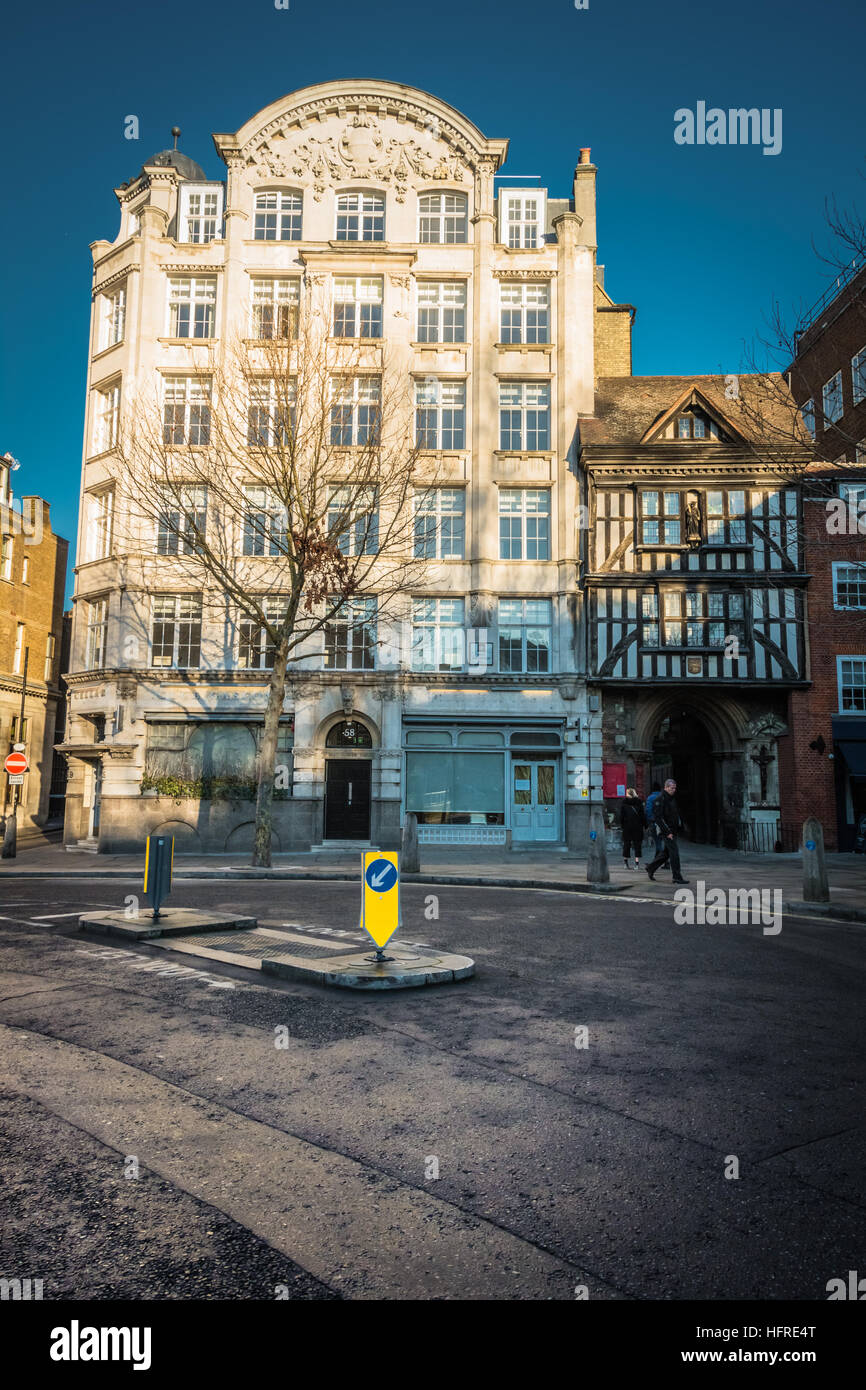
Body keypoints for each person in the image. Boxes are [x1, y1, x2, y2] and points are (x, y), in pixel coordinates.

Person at [645, 778, 689, 884]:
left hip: (673, 830)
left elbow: (675, 814)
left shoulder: (671, 798)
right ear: (666, 787)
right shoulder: (660, 799)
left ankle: (651, 868)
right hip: (667, 831)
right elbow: (659, 818)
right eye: (671, 788)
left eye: (675, 788)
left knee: (666, 853)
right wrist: (668, 832)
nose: (674, 790)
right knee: (674, 853)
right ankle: (677, 877)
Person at [619, 788, 645, 869]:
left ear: (627, 794)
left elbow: (621, 817)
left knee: (626, 844)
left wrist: (622, 826)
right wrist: (645, 825)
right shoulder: (639, 802)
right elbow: (642, 816)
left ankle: (625, 864)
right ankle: (637, 864)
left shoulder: (624, 803)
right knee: (637, 845)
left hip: (627, 827)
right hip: (637, 827)